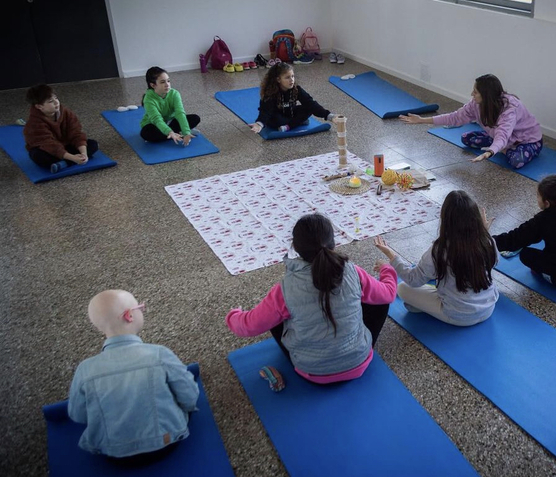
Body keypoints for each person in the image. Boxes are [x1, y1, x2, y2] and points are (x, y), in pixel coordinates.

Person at [226, 214, 397, 384]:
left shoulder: (286, 287)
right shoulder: (353, 271)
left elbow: (249, 326)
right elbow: (389, 293)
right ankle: (351, 349)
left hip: (313, 372)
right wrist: (386, 270)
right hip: (359, 362)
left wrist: (233, 315)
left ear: (295, 247)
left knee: (276, 315)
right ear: (333, 243)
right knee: (377, 299)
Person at [68, 290, 199, 462]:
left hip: (114, 453)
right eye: (140, 307)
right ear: (129, 315)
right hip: (166, 443)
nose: (142, 310)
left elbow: (77, 415)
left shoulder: (85, 369)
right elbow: (189, 395)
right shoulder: (160, 354)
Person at [375, 190, 499, 326]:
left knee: (402, 288)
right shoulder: (488, 241)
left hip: (458, 315)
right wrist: (484, 233)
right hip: (488, 309)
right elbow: (493, 263)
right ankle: (425, 306)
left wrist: (391, 256)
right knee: (439, 279)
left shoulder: (440, 249)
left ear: (445, 220)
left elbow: (413, 279)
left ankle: (425, 307)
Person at [400, 74, 542, 169]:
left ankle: (503, 149)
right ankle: (501, 148)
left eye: (475, 92)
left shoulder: (510, 108)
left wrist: (490, 152)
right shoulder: (476, 104)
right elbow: (455, 117)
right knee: (466, 138)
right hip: (501, 138)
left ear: (486, 95)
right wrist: (422, 120)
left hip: (526, 140)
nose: (471, 94)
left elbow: (503, 135)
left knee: (516, 161)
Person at [23, 84, 99, 174]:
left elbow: (76, 133)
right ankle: (70, 161)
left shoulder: (66, 112)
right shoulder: (34, 123)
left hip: (65, 145)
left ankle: (63, 164)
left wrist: (84, 154)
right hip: (47, 149)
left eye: (56, 98)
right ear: (39, 106)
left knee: (92, 144)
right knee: (38, 156)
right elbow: (48, 144)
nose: (56, 102)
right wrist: (72, 157)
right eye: (51, 101)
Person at [248, 62, 337, 134]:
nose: (292, 80)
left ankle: (289, 126)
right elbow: (265, 111)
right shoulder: (270, 92)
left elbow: (310, 103)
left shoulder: (296, 89)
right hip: (278, 117)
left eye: (292, 76)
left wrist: (329, 116)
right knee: (274, 118)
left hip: (290, 113)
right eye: (287, 77)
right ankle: (298, 122)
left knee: (309, 108)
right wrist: (259, 124)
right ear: (278, 79)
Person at [140, 67, 200, 145]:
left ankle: (174, 134)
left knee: (195, 118)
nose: (167, 85)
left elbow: (180, 113)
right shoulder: (148, 99)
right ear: (153, 85)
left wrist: (186, 132)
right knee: (146, 133)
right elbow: (156, 119)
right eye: (162, 82)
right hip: (154, 124)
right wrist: (170, 132)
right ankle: (174, 134)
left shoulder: (175, 94)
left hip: (171, 121)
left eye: (168, 81)